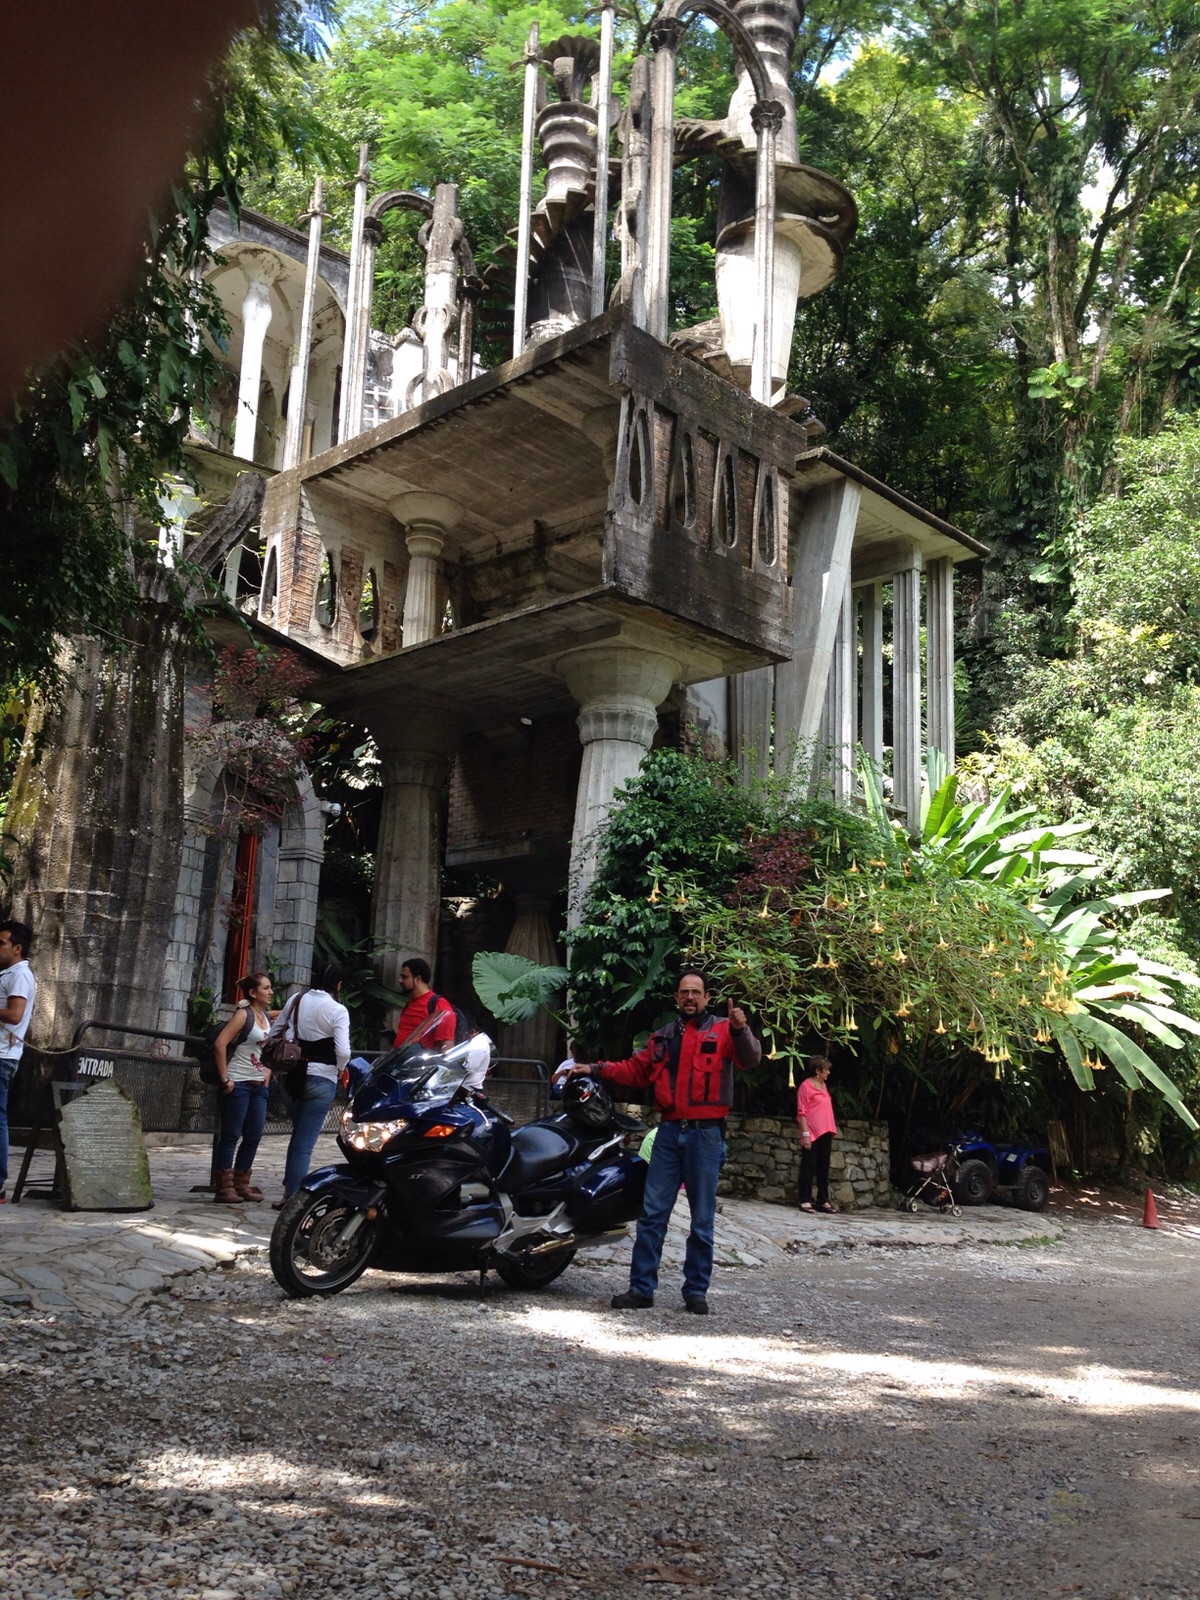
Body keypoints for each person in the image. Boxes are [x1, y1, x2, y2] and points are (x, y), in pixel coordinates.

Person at [570, 970, 760, 1316]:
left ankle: (696, 1291)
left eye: (696, 992)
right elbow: (633, 1070)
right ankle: (642, 1288)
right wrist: (595, 1069)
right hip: (669, 1132)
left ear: (706, 997)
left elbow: (751, 1059)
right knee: (652, 1214)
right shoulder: (662, 1037)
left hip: (706, 1134)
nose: (690, 997)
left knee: (702, 1218)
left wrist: (740, 1028)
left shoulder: (722, 1030)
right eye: (684, 992)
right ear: (676, 998)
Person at [267, 961, 351, 1207]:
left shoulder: (296, 1000)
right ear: (338, 984)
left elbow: (274, 1033)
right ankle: (294, 1198)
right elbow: (343, 1051)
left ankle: (287, 1193)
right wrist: (340, 1068)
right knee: (304, 1142)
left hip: (291, 1076)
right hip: (321, 1077)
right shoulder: (337, 1010)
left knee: (298, 1136)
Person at [211, 972, 276, 1205]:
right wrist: (225, 1077)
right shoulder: (243, 1014)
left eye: (270, 988)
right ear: (252, 992)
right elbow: (220, 1043)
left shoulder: (264, 1016)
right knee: (230, 1135)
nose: (270, 992)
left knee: (254, 1135)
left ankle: (242, 1184)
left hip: (258, 1085)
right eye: (266, 988)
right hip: (238, 1083)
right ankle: (224, 1187)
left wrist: (267, 1071)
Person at [0, 920, 36, 1205]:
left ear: (17, 948)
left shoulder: (20, 975)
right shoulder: (8, 973)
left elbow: (14, 1014)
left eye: (1, 943)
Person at [796, 1055, 838, 1213]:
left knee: (823, 1166)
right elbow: (802, 1112)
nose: (828, 1073)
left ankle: (822, 1199)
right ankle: (805, 1199)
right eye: (826, 1070)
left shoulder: (823, 1086)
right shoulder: (806, 1086)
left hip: (826, 1130)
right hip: (812, 1132)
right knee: (808, 1165)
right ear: (817, 1071)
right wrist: (805, 1134)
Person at [392, 958, 455, 1052]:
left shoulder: (439, 1004)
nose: (400, 980)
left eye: (404, 977)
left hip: (420, 1063)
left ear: (417, 979)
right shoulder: (410, 1003)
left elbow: (447, 1045)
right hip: (400, 1061)